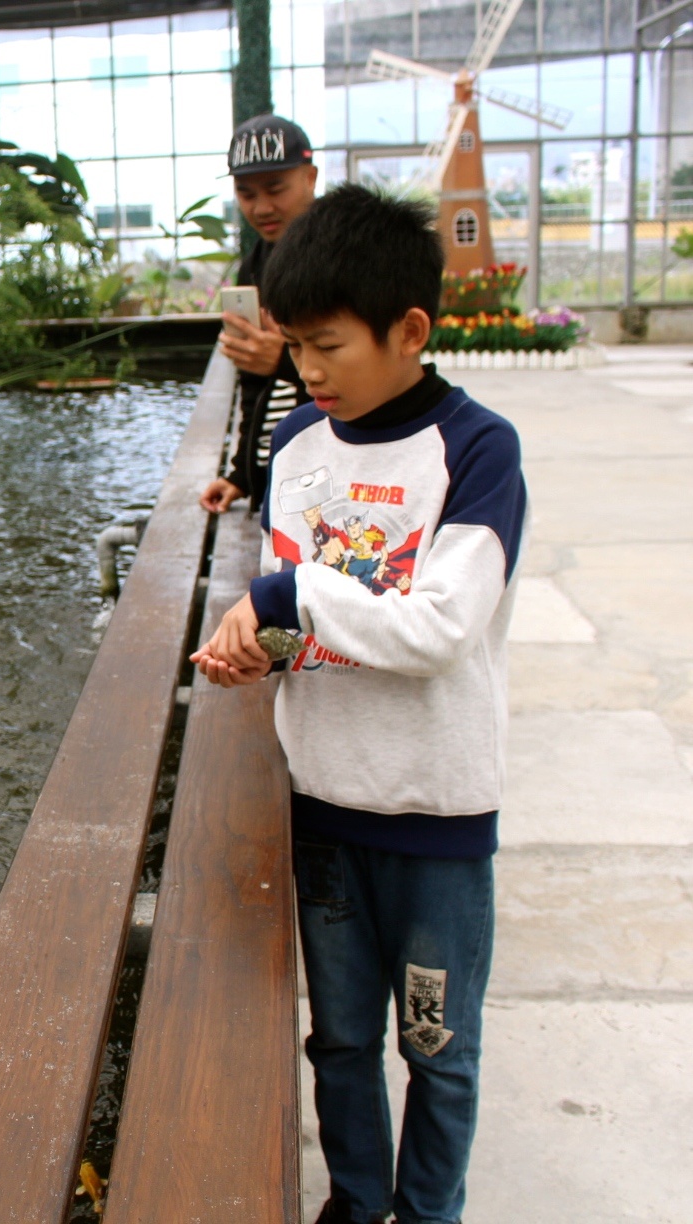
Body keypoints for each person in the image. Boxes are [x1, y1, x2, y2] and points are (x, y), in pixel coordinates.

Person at [190, 184, 527, 1224]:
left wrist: (286, 597)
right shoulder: (295, 455)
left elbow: (432, 632)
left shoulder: (472, 453)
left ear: (408, 330)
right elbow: (317, 628)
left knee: (436, 1047)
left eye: (326, 345)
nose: (306, 370)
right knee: (335, 1037)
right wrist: (263, 651)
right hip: (326, 808)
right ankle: (354, 1198)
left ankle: (426, 1213)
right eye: (293, 347)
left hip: (433, 815)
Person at [200, 113, 319, 515]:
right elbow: (253, 386)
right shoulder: (255, 265)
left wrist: (284, 361)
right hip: (278, 474)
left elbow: (368, 367)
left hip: (328, 470)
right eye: (246, 193)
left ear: (310, 177)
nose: (262, 207)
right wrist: (242, 474)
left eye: (275, 188)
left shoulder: (340, 258)